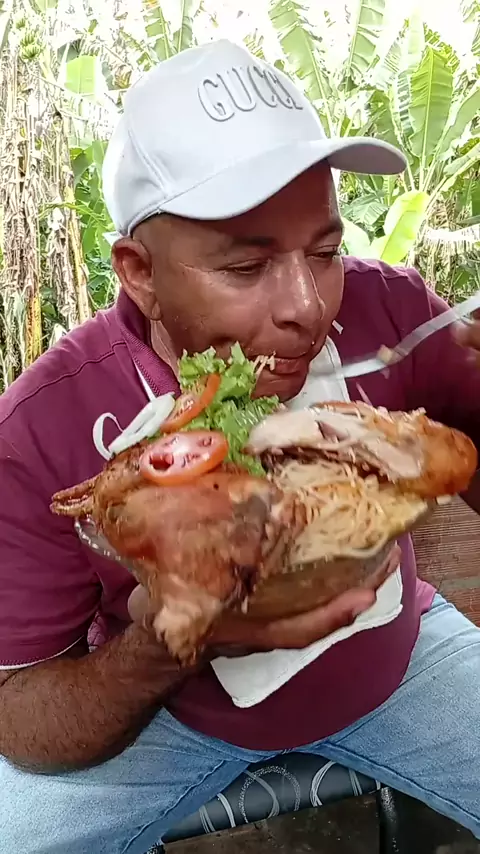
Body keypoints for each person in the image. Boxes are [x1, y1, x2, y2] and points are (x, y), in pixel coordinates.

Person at [1, 38, 480, 854]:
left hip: (403, 666)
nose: (308, 308)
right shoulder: (43, 425)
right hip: (168, 718)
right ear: (139, 271)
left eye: (324, 252)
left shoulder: (392, 313)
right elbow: (21, 715)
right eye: (246, 266)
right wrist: (168, 647)